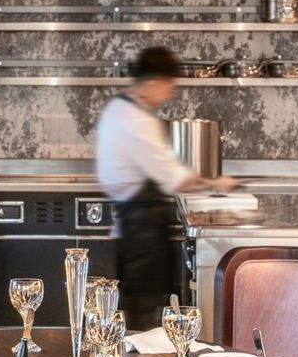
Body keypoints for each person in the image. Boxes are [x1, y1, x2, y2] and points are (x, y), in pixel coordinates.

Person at [95, 47, 240, 328]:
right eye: (169, 87)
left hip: (132, 227)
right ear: (154, 82)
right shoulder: (139, 121)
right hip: (143, 233)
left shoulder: (117, 109)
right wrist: (217, 183)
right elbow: (177, 179)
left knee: (137, 310)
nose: (169, 95)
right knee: (145, 316)